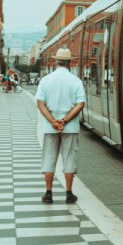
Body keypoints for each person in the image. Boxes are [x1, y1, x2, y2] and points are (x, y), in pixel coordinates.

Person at [35, 48, 86, 204]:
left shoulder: (46, 80)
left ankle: (48, 193)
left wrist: (53, 121)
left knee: (49, 158)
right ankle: (69, 193)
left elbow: (40, 103)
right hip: (70, 128)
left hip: (50, 128)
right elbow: (80, 104)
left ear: (55, 62)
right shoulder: (76, 81)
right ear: (70, 62)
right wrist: (64, 121)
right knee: (70, 158)